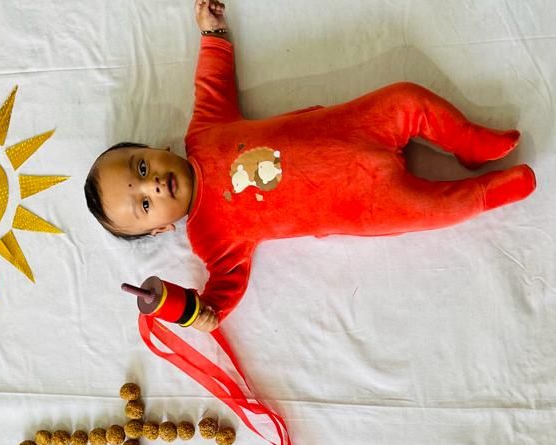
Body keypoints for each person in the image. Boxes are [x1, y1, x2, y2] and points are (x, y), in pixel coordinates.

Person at [84, 0, 536, 330]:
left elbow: (212, 82)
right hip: (364, 204)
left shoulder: (203, 132)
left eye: (140, 169)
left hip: (357, 127)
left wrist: (212, 33)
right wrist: (188, 312)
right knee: (434, 209)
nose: (154, 188)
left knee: (407, 97)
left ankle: (471, 144)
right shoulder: (211, 237)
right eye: (144, 206)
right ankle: (488, 191)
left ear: (150, 149)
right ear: (162, 230)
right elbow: (219, 300)